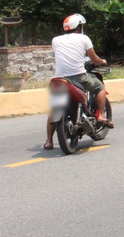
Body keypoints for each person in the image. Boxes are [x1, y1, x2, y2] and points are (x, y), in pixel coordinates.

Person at [44, 13, 112, 150]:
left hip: (60, 79)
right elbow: (94, 60)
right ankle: (102, 116)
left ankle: (49, 141)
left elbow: (66, 54)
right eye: (81, 26)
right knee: (99, 87)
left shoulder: (55, 40)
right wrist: (102, 62)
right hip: (78, 76)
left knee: (54, 108)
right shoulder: (84, 38)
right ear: (79, 27)